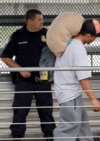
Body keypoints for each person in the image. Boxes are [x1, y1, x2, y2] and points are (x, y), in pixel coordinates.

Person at [0, 9, 56, 140]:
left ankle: (49, 135)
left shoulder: (47, 34)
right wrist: (20, 69)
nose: (42, 22)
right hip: (24, 80)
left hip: (43, 78)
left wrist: (53, 74)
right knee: (20, 108)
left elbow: (57, 53)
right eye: (39, 20)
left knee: (46, 108)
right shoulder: (18, 36)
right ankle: (17, 135)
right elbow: (5, 57)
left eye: (42, 19)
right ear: (29, 21)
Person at [53, 19, 100, 141]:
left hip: (69, 93)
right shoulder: (78, 48)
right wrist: (93, 99)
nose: (95, 40)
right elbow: (83, 78)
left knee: (82, 127)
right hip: (70, 95)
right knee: (68, 128)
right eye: (95, 37)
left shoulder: (69, 43)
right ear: (88, 35)